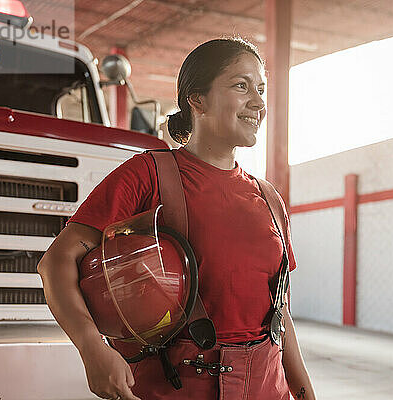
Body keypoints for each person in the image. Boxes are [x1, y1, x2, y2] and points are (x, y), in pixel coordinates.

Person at [37, 37, 316, 400]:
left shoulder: (270, 200)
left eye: (261, 89)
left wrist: (305, 392)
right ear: (196, 99)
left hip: (267, 389)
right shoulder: (148, 174)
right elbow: (56, 262)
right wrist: (92, 347)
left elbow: (280, 313)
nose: (259, 102)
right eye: (241, 85)